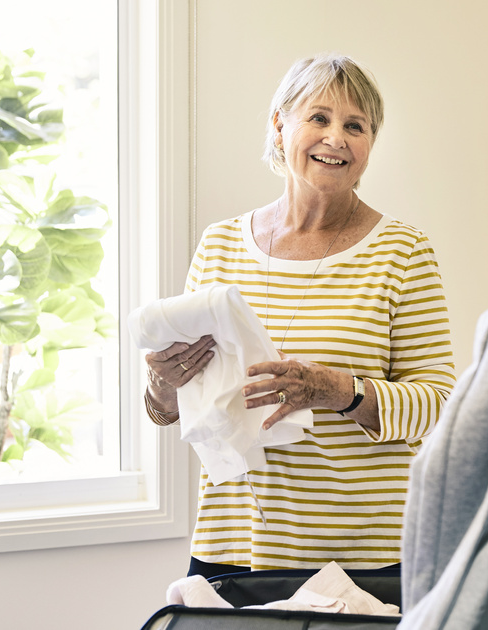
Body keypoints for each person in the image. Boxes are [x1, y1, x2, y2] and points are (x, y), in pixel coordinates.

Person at [143, 54, 456, 578]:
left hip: (363, 559)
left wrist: (339, 390)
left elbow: (440, 405)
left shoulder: (404, 251)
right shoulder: (219, 245)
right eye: (319, 118)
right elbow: (178, 406)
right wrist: (161, 387)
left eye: (355, 126)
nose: (336, 137)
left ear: (369, 145)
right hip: (232, 546)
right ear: (278, 125)